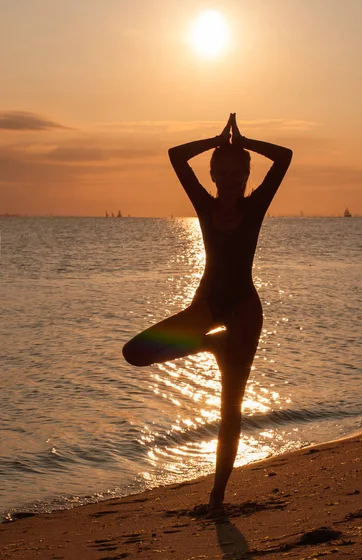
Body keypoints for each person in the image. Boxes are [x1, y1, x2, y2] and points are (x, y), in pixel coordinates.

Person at [123, 113, 292, 511]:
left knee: (230, 407)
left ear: (246, 176)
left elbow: (283, 157)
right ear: (213, 175)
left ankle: (217, 496)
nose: (232, 180)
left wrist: (246, 142)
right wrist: (214, 139)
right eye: (224, 173)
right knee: (136, 353)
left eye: (239, 174)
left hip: (244, 311)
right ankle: (210, 346)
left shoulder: (255, 206)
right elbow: (176, 157)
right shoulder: (202, 201)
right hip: (206, 304)